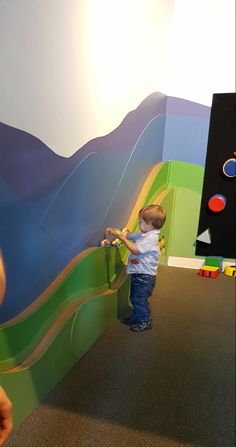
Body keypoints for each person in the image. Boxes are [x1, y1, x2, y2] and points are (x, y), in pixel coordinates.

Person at [106, 204, 166, 332]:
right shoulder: (146, 234)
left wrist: (122, 238)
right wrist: (120, 233)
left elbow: (136, 249)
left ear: (149, 224)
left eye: (140, 222)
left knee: (138, 299)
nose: (139, 224)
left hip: (145, 277)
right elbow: (135, 236)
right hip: (140, 274)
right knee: (135, 297)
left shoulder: (151, 238)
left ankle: (144, 321)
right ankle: (138, 316)